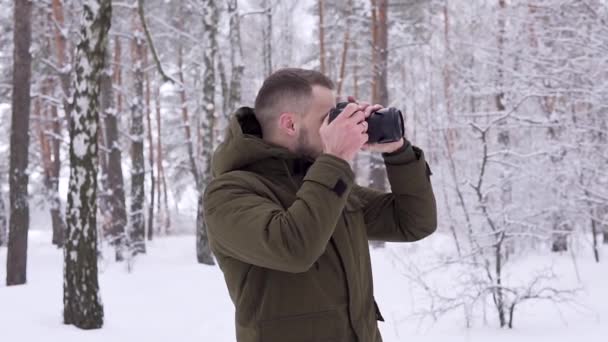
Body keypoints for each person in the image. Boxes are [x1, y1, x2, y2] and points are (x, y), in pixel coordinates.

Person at [203, 68, 437, 342]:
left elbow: (413, 222)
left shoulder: (326, 184)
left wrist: (398, 152)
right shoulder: (228, 194)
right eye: (328, 119)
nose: (337, 126)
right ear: (290, 124)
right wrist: (335, 157)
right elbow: (294, 247)